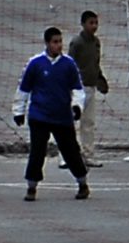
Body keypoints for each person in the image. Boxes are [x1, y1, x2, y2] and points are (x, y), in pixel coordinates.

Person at [14, 26, 90, 202]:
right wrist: (19, 111)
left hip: (62, 116)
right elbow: (24, 89)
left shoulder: (68, 64)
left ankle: (82, 183)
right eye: (55, 42)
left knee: (70, 151)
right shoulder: (35, 63)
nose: (59, 45)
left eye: (60, 41)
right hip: (39, 115)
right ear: (47, 43)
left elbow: (78, 89)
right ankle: (31, 186)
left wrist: (77, 107)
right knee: (37, 151)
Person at [67, 10, 109, 164]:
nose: (94, 26)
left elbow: (95, 63)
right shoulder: (77, 42)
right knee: (70, 122)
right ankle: (66, 156)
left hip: (91, 86)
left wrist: (100, 79)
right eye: (91, 23)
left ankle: (88, 154)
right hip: (77, 88)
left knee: (88, 122)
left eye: (96, 23)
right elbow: (69, 64)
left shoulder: (96, 42)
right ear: (83, 24)